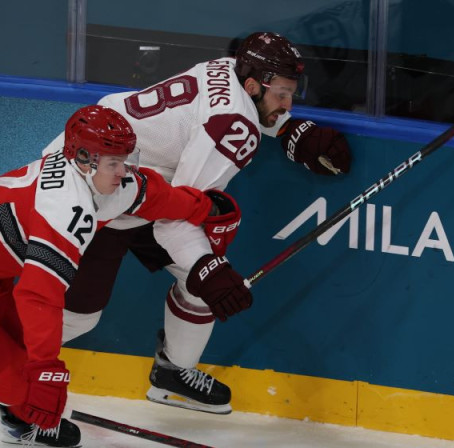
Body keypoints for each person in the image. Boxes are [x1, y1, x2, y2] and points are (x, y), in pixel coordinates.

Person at [0, 105, 233, 447]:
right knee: (17, 383)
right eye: (114, 163)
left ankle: (19, 421)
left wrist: (208, 208)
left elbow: (155, 196)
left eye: (125, 159)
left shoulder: (100, 178)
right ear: (83, 158)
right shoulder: (67, 207)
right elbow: (39, 296)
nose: (123, 171)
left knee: (23, 358)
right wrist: (45, 370)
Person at [43, 32, 352, 414]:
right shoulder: (233, 129)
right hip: (91, 191)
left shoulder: (228, 69)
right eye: (282, 95)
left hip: (137, 186)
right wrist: (208, 267)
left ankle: (172, 374)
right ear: (253, 85)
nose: (287, 103)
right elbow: (180, 214)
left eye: (291, 94)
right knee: (79, 316)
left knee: (202, 283)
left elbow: (219, 119)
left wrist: (287, 129)